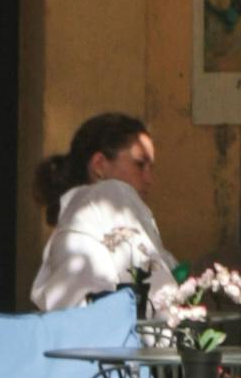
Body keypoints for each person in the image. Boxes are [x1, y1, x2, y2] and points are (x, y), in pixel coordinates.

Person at [32, 110, 169, 311]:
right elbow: (159, 295)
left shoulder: (73, 214)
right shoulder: (111, 193)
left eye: (151, 168)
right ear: (99, 165)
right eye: (140, 165)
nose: (149, 179)